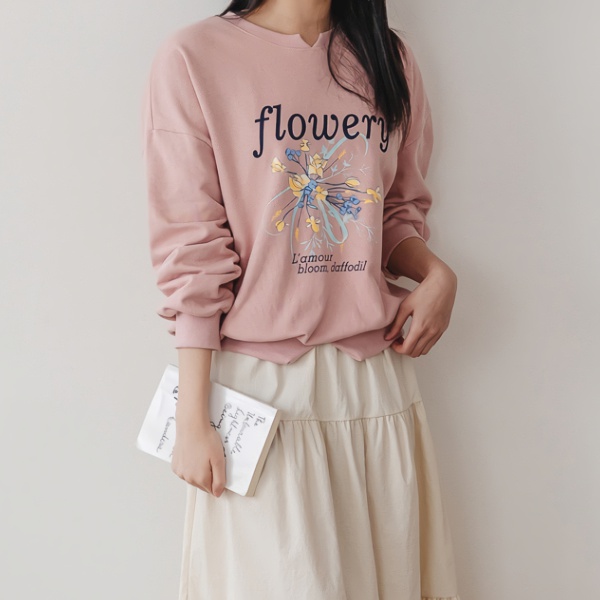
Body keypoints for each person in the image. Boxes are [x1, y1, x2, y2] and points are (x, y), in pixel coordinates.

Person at [141, 1, 461, 598]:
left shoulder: (389, 59)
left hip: (375, 387)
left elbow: (393, 213)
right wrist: (192, 417)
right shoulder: (194, 57)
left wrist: (437, 275)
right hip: (260, 397)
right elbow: (192, 247)